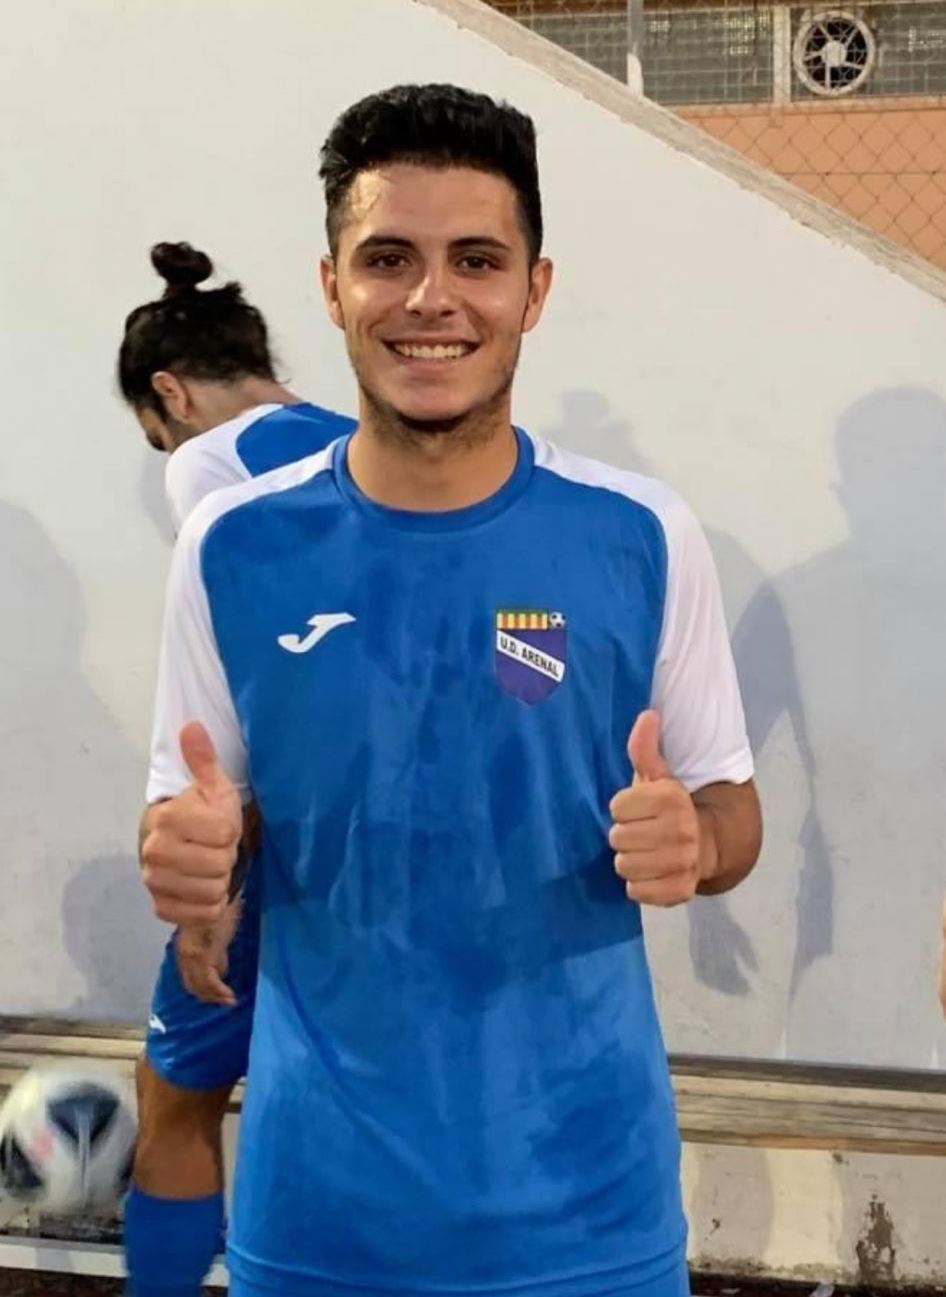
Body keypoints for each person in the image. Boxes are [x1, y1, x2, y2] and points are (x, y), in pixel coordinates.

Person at [139, 84, 763, 1297]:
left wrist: (696, 841)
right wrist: (189, 857)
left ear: (533, 289)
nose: (431, 298)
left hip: (592, 1221)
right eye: (388, 259)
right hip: (318, 1222)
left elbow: (731, 810)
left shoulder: (642, 533)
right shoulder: (231, 545)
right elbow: (192, 814)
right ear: (332, 287)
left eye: (476, 259)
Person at [116, 241, 353, 1297]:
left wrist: (214, 886)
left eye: (153, 428)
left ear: (170, 392)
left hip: (285, 846)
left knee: (174, 1096)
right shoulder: (362, 439)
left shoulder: (208, 462)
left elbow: (256, 683)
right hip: (391, 843)